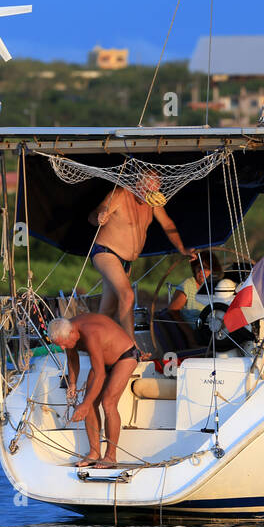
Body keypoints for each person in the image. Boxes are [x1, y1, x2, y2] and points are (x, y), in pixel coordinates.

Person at [88, 172, 190, 332]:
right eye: (147, 191)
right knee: (128, 296)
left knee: (108, 310)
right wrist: (99, 216)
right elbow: (95, 213)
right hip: (106, 252)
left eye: (154, 191)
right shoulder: (120, 194)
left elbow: (167, 224)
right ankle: (132, 348)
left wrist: (182, 249)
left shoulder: (152, 203)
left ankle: (94, 342)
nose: (149, 196)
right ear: (138, 185)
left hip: (126, 262)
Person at [47, 313, 141, 468]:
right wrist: (72, 384)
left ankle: (110, 456)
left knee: (108, 402)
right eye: (59, 345)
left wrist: (83, 405)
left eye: (63, 344)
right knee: (89, 404)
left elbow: (99, 374)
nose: (62, 347)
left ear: (72, 333)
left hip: (125, 356)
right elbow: (72, 357)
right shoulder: (67, 329)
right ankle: (94, 453)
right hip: (103, 361)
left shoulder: (91, 333)